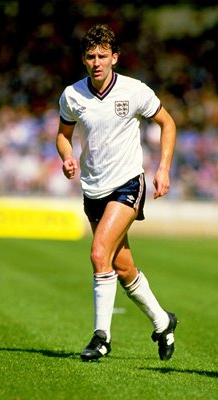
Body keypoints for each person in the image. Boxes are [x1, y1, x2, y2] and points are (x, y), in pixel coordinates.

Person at [56, 23, 177, 362]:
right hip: (93, 188)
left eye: (103, 56)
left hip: (127, 182)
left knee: (99, 254)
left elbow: (167, 123)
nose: (97, 62)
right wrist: (67, 157)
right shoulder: (72, 95)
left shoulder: (135, 91)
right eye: (91, 56)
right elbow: (63, 135)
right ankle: (163, 321)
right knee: (123, 268)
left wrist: (164, 168)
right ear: (84, 59)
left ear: (115, 58)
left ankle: (101, 337)